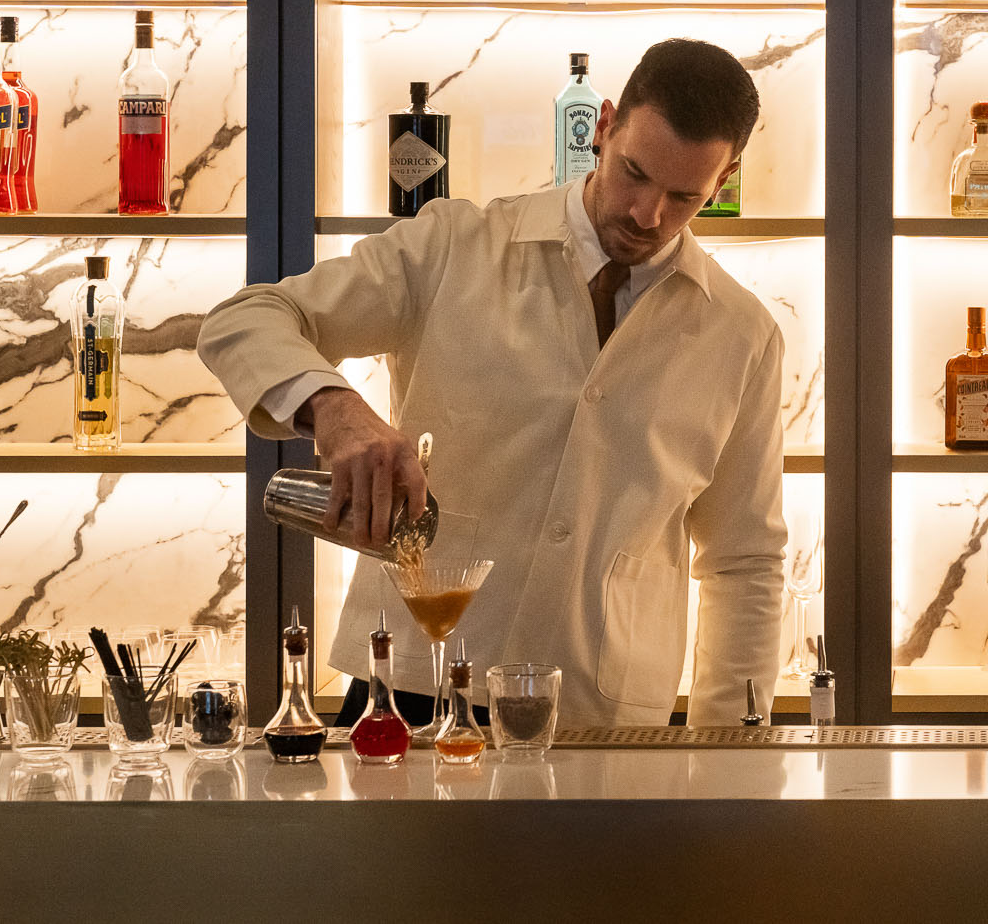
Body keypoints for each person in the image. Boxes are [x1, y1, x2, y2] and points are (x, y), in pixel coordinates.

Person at [198, 38, 784, 728]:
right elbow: (244, 319)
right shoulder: (455, 246)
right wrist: (333, 407)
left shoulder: (742, 336)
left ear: (726, 178)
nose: (647, 214)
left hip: (605, 723)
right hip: (411, 688)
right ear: (603, 126)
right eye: (634, 172)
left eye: (684, 195)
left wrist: (722, 764)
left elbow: (744, 563)